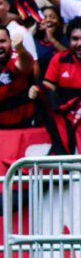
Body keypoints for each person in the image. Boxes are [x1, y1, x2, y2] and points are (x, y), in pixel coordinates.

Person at [30, 17, 81, 155]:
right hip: (66, 121)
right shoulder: (59, 59)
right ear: (69, 40)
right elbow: (48, 88)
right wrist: (38, 89)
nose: (79, 43)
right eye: (75, 39)